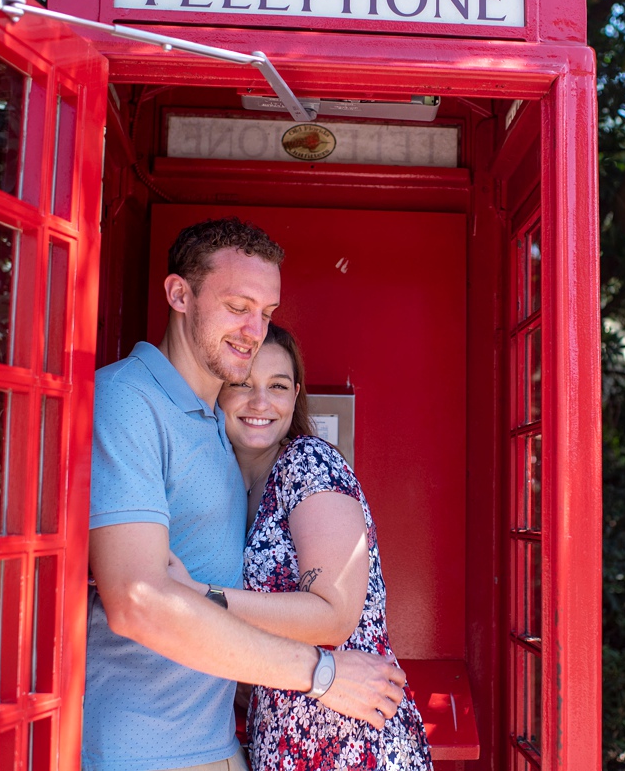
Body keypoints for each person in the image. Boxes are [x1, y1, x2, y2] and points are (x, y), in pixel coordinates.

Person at [85, 218, 406, 771]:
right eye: (238, 306)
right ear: (179, 294)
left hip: (223, 747)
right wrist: (320, 674)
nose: (254, 329)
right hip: (143, 751)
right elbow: (137, 601)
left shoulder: (217, 428)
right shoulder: (127, 399)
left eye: (268, 312)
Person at [170, 322, 433, 770]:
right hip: (282, 738)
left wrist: (203, 598)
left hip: (353, 740)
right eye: (242, 384)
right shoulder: (226, 486)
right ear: (220, 392)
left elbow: (332, 616)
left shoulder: (310, 463)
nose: (260, 402)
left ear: (294, 397)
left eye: (277, 386)